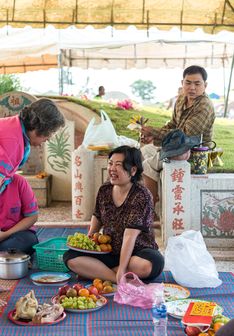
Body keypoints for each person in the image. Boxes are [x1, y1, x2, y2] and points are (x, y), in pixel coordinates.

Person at [64, 145, 164, 284]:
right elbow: (97, 215)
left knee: (147, 265)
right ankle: (117, 278)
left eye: (118, 165)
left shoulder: (141, 195)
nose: (112, 169)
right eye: (110, 163)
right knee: (70, 257)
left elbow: (130, 237)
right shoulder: (105, 189)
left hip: (138, 251)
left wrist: (122, 268)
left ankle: (100, 272)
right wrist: (88, 242)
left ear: (133, 170)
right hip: (109, 251)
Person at [141, 65, 215, 205]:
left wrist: (154, 131)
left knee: (147, 165)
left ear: (205, 85)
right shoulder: (181, 100)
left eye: (197, 83)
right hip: (175, 145)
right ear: (182, 83)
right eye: (188, 82)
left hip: (194, 152)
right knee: (143, 151)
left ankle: (148, 210)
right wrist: (153, 137)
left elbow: (185, 135)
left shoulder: (205, 106)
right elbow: (173, 125)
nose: (192, 87)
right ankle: (152, 199)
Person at [0, 98, 65, 193]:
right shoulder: (14, 142)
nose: (49, 139)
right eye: (51, 132)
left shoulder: (14, 126)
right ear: (41, 126)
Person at [0, 173, 39, 255]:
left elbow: (32, 216)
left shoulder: (19, 181)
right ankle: (11, 257)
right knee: (11, 250)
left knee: (28, 240)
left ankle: (7, 256)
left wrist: (5, 234)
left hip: (15, 234)